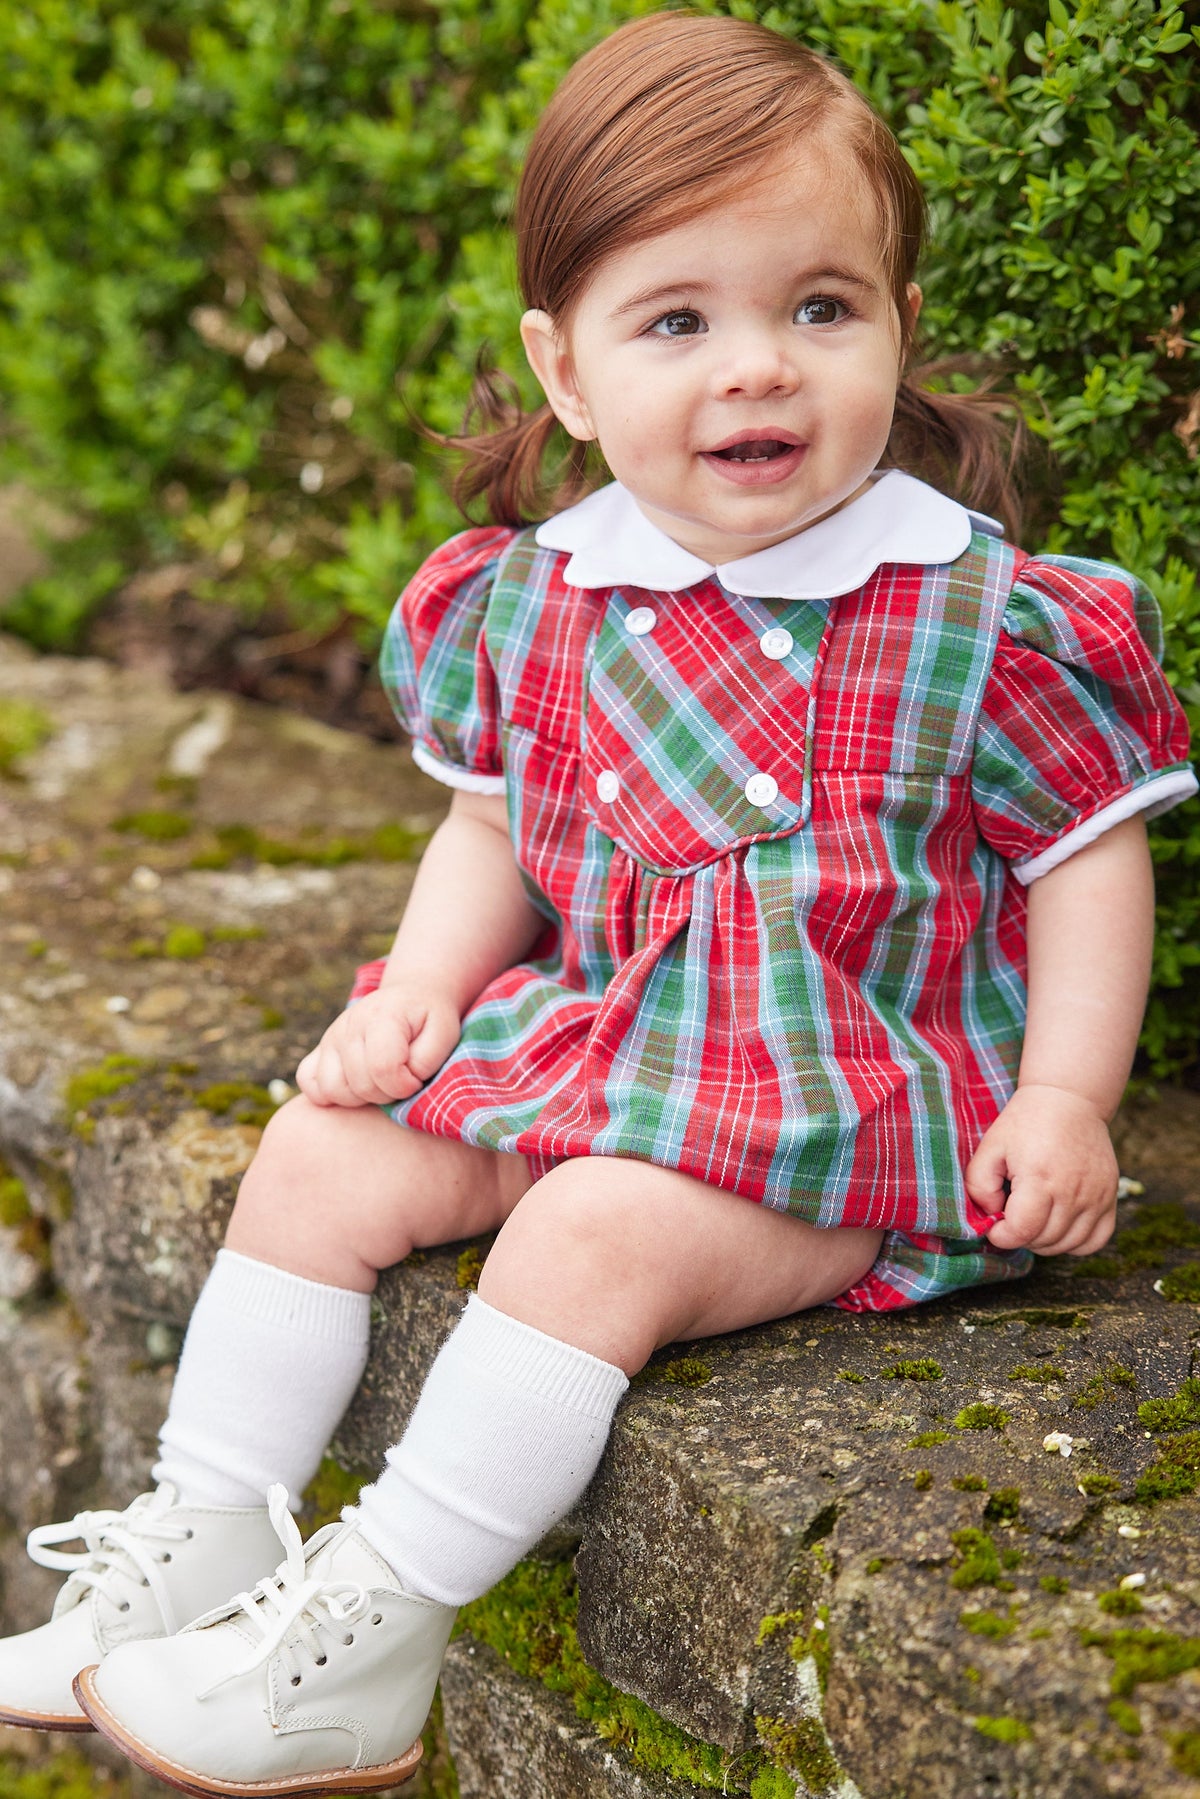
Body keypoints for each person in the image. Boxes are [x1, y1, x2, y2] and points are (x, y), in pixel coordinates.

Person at [1, 12, 1195, 1794]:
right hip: (611, 1054)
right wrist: (418, 995)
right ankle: (207, 1529)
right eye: (679, 322)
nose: (758, 373)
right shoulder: (539, 594)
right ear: (566, 372)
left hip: (850, 1119)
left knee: (592, 1235)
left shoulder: (975, 613)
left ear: (897, 327)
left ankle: (374, 1640)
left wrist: (1064, 1100)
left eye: (820, 308)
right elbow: (494, 830)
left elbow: (1085, 859)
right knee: (322, 1150)